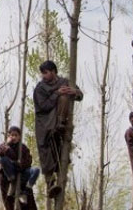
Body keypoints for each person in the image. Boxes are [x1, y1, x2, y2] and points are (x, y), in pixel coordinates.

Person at [33, 60, 83, 199]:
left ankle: (61, 123)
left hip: (60, 121)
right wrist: (56, 94)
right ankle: (50, 183)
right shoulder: (40, 88)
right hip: (45, 122)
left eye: (46, 72)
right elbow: (43, 106)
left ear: (53, 71)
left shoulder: (64, 81)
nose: (43, 76)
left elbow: (80, 96)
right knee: (46, 150)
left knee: (61, 150)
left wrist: (75, 91)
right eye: (42, 73)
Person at [0, 126, 40, 206]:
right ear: (9, 136)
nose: (14, 137)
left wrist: (19, 164)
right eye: (12, 135)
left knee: (36, 170)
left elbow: (28, 161)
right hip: (11, 173)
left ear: (19, 137)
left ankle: (26, 190)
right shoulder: (5, 145)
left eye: (16, 135)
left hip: (23, 172)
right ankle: (13, 181)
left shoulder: (23, 147)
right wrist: (7, 145)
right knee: (2, 159)